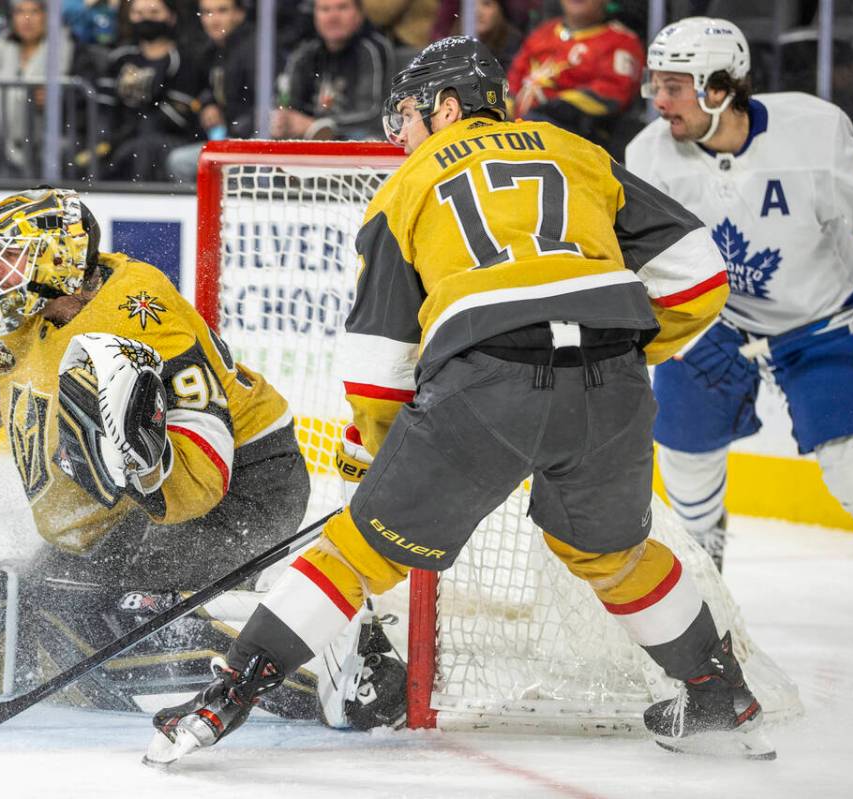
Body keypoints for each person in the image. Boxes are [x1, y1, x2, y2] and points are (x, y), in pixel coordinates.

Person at [145, 36, 776, 766]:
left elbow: (379, 367)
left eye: (407, 117)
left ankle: (223, 697)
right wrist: (627, 350)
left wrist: (382, 448)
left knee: (354, 553)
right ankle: (715, 689)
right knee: (611, 554)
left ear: (447, 107)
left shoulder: (406, 187)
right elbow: (699, 274)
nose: (401, 135)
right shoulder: (575, 150)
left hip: (487, 387)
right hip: (614, 390)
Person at [0, 186, 399, 725]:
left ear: (58, 257)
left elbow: (203, 466)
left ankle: (324, 662)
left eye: (13, 256)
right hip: (153, 498)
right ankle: (159, 640)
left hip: (245, 486)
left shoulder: (140, 316)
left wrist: (147, 487)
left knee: (124, 599)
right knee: (35, 601)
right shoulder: (30, 314)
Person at [625, 17, 853, 571]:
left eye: (674, 87)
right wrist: (676, 326)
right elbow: (647, 262)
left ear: (720, 88)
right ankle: (705, 581)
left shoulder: (813, 133)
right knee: (684, 460)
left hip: (823, 322)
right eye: (655, 85)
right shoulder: (649, 155)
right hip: (716, 323)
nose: (658, 102)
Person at [0, 0, 82, 176]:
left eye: (35, 12)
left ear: (49, 16)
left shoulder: (71, 49)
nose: (27, 18)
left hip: (50, 142)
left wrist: (59, 99)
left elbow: (85, 99)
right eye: (20, 12)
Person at [505, 0, 643, 151]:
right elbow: (513, 81)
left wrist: (548, 111)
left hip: (576, 142)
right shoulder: (543, 32)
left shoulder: (622, 41)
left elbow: (612, 94)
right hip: (518, 134)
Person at [92, 0, 204, 182]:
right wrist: (107, 134)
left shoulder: (185, 59)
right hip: (121, 136)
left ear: (171, 16)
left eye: (154, 12)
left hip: (169, 138)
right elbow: (105, 104)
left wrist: (138, 125)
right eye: (139, 13)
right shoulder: (120, 57)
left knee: (141, 150)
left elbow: (179, 113)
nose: (146, 19)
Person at [272, 0, 394, 141]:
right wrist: (283, 121)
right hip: (311, 142)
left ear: (360, 13)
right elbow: (289, 104)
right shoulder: (306, 53)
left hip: (357, 144)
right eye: (325, 9)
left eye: (342, 7)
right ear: (315, 15)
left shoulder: (371, 50)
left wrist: (318, 126)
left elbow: (372, 114)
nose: (333, 17)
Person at [164, 0, 254, 183]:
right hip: (229, 138)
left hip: (252, 143)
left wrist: (236, 129)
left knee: (180, 162)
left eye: (222, 11)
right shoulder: (210, 51)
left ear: (239, 14)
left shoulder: (255, 49)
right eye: (207, 12)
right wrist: (207, 104)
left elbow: (268, 104)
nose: (214, 20)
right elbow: (204, 88)